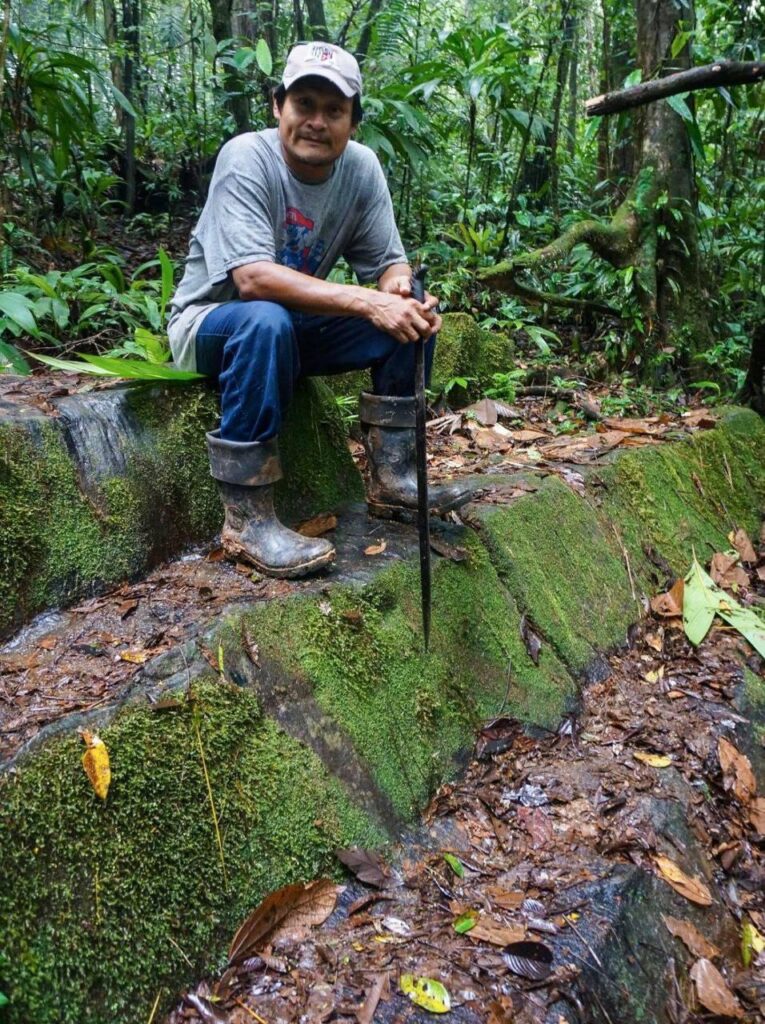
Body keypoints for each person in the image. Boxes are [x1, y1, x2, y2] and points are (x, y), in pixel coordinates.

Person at [168, 41, 471, 579]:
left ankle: (393, 477)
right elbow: (252, 280)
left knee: (409, 311)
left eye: (334, 110)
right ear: (277, 106)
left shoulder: (361, 169)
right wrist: (366, 299)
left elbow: (387, 264)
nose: (316, 122)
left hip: (290, 330)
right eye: (304, 104)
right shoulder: (246, 158)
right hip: (214, 323)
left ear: (353, 120)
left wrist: (401, 292)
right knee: (265, 318)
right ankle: (247, 520)